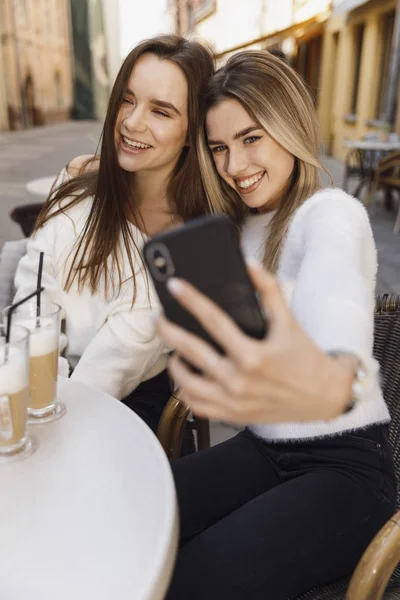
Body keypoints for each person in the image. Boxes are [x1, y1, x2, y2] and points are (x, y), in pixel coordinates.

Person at [155, 51, 396, 599]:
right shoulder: (236, 229)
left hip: (346, 468)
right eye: (219, 148)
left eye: (251, 138)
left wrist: (332, 378)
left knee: (192, 578)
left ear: (289, 127)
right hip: (265, 449)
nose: (235, 165)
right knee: (141, 513)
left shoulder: (331, 214)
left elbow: (339, 319)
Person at [13, 35, 217, 435]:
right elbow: (33, 295)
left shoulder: (185, 242)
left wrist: (47, 423)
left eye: (161, 111)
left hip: (125, 402)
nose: (131, 121)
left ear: (193, 130)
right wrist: (33, 391)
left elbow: (116, 361)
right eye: (127, 99)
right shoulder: (78, 180)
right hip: (42, 374)